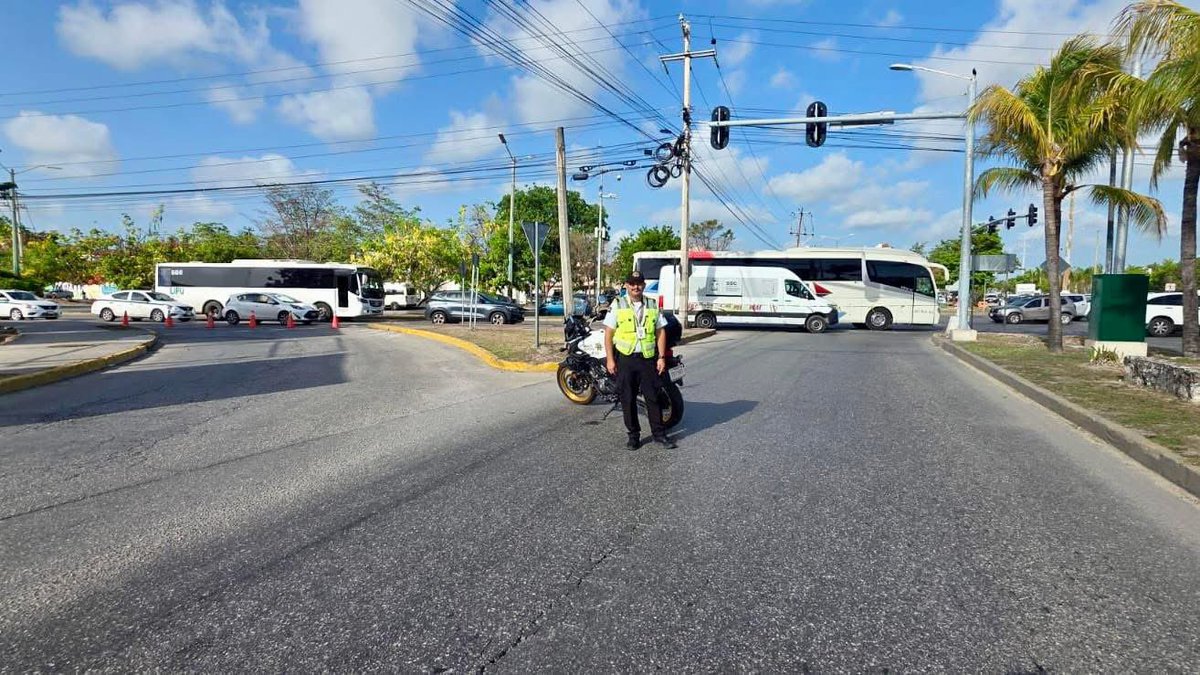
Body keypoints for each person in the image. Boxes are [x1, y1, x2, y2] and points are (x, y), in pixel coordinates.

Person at [603, 270, 676, 450]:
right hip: (626, 359)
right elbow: (608, 334)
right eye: (632, 283)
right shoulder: (618, 304)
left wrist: (661, 357)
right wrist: (610, 359)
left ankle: (659, 435)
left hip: (648, 359)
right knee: (627, 399)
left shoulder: (652, 304)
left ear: (643, 285)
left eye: (639, 283)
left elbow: (660, 332)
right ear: (626, 285)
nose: (636, 287)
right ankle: (633, 436)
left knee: (653, 397)